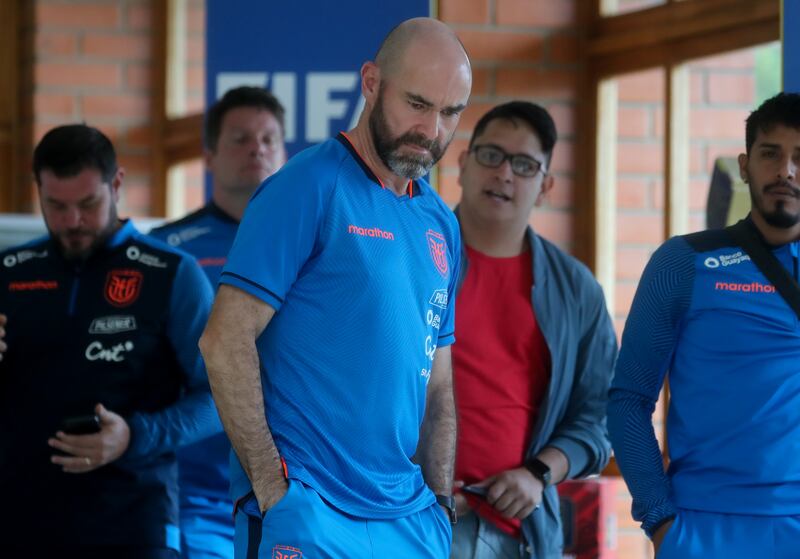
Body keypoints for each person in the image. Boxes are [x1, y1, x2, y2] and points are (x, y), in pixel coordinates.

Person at [199, 17, 470, 559]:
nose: (432, 129)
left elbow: (437, 384)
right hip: (310, 512)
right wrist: (273, 492)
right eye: (417, 104)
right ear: (371, 83)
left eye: (450, 113)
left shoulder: (440, 222)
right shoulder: (305, 186)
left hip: (409, 522)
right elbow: (224, 341)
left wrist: (439, 503)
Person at [0, 124, 219, 559]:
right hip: (18, 522)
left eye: (87, 204)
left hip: (134, 521)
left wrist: (135, 436)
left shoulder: (172, 274)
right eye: (56, 206)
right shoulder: (9, 270)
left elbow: (221, 398)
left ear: (117, 183)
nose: (73, 221)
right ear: (38, 189)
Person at [608, 92, 800, 559]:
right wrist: (661, 521)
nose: (787, 171)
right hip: (704, 530)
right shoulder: (684, 262)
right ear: (744, 165)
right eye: (771, 153)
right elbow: (628, 400)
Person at [449, 101, 617, 559]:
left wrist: (538, 474)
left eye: (524, 165)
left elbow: (600, 416)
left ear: (545, 187)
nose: (504, 173)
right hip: (406, 517)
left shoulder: (575, 290)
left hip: (515, 532)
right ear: (462, 164)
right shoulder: (413, 259)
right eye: (491, 155)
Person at [149, 86, 287, 559]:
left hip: (293, 486)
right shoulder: (166, 251)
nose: (258, 148)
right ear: (208, 156)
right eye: (241, 138)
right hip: (198, 491)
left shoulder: (317, 246)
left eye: (269, 138)